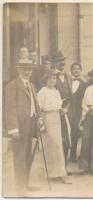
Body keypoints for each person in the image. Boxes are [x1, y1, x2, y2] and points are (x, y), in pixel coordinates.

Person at [4, 59, 42, 194]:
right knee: (19, 157)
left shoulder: (31, 85)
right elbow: (10, 109)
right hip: (19, 128)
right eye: (24, 69)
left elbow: (35, 104)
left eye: (29, 69)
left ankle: (25, 184)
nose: (27, 72)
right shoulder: (12, 86)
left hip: (31, 125)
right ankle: (20, 189)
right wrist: (13, 129)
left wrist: (40, 118)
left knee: (28, 156)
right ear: (18, 70)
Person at [37, 69, 71, 184]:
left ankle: (60, 173)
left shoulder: (56, 91)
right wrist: (41, 121)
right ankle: (50, 174)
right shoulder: (42, 91)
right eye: (50, 78)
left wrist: (63, 110)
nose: (52, 80)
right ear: (45, 80)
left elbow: (59, 105)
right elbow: (39, 108)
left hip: (57, 118)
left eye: (54, 78)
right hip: (47, 119)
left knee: (58, 145)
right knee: (51, 146)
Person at [52, 51, 73, 163]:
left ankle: (64, 166)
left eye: (63, 60)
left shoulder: (69, 76)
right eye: (59, 61)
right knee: (56, 140)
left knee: (66, 140)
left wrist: (66, 108)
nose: (62, 63)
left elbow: (71, 97)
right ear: (54, 63)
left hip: (66, 111)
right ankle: (56, 168)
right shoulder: (49, 76)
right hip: (54, 112)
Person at [69, 62, 87, 162]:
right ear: (71, 71)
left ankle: (74, 155)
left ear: (81, 71)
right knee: (68, 132)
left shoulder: (85, 84)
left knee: (76, 132)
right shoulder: (67, 82)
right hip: (68, 109)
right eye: (74, 69)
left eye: (78, 69)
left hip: (79, 109)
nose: (76, 70)